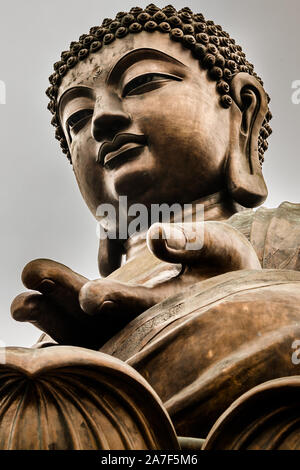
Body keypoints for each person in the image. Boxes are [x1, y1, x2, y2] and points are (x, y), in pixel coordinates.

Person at [9, 4, 300, 444]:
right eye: (78, 120)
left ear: (242, 108)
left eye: (142, 82)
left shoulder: (285, 231)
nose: (103, 120)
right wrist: (90, 351)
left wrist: (236, 291)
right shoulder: (69, 317)